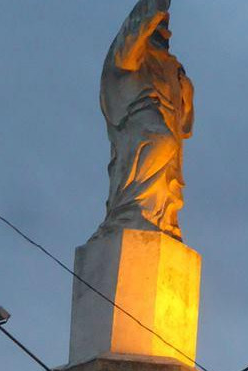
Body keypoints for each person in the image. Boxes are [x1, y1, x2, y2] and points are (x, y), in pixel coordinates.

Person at [98, 0, 194, 241]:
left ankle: (158, 219)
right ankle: (131, 212)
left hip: (166, 128)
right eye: (158, 23)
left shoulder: (172, 66)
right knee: (161, 142)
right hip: (141, 123)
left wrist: (186, 91)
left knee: (168, 154)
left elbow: (185, 121)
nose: (163, 26)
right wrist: (153, 7)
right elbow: (128, 45)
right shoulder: (135, 52)